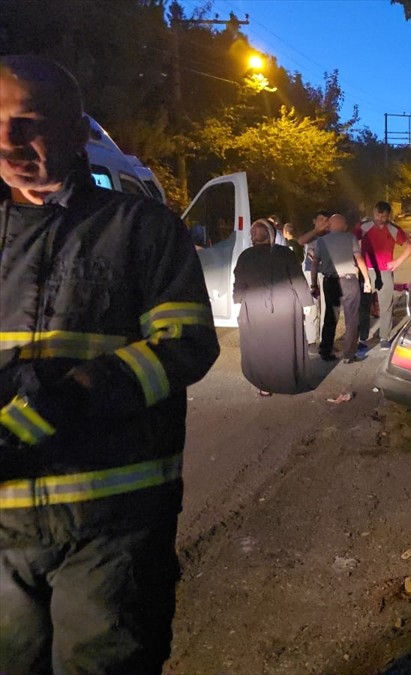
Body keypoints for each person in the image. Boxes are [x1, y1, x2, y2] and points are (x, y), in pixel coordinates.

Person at [0, 56, 219, 673]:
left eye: (29, 122)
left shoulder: (141, 229)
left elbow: (185, 343)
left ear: (76, 133)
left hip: (113, 526)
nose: (9, 141)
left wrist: (61, 400)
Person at [233, 219, 314, 395]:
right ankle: (287, 382)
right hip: (285, 305)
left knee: (260, 346)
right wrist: (306, 302)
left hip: (256, 307)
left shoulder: (246, 256)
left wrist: (237, 300)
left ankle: (264, 385)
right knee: (284, 345)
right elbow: (297, 278)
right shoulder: (285, 253)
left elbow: (239, 282)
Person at [311, 212, 374, 364]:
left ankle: (325, 351)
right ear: (344, 225)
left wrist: (313, 284)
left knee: (330, 317)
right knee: (351, 319)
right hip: (349, 281)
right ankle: (349, 354)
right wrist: (367, 280)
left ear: (330, 226)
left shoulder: (321, 241)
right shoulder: (350, 238)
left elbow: (315, 263)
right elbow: (359, 259)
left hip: (330, 281)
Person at [357, 201, 411, 349]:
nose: (380, 219)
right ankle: (362, 338)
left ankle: (384, 337)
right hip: (366, 271)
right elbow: (351, 241)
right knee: (364, 305)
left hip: (385, 271)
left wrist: (398, 262)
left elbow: (409, 247)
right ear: (373, 213)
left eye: (383, 216)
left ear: (388, 215)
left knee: (386, 306)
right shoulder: (364, 227)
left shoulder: (393, 229)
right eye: (377, 215)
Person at [298, 210, 330, 347]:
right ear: (314, 221)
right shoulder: (310, 234)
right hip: (309, 272)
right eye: (320, 219)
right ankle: (311, 340)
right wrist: (316, 230)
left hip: (326, 273)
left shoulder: (331, 235)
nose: (323, 222)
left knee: (326, 307)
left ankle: (325, 340)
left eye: (326, 220)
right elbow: (301, 241)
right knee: (312, 306)